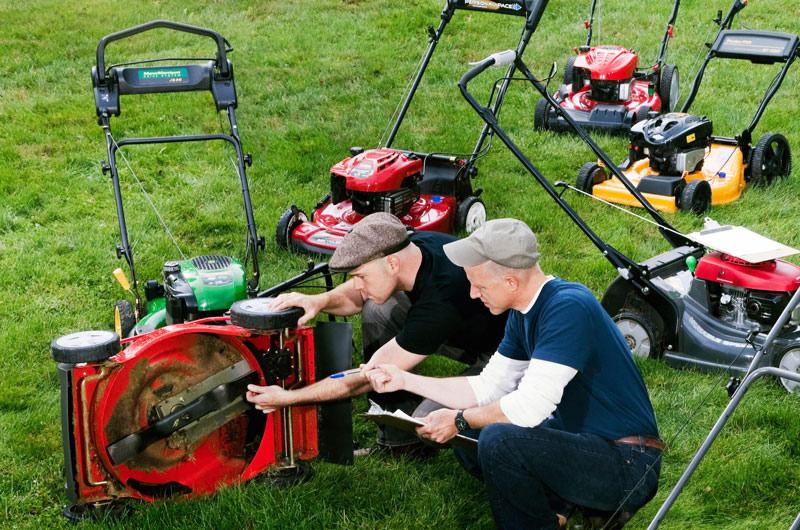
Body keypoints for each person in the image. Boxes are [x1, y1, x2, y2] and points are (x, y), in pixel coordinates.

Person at [364, 218, 662, 529]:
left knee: (496, 438)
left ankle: (561, 512)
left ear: (510, 282)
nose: (472, 295)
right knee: (474, 433)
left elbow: (530, 408)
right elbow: (488, 387)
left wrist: (458, 419)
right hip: (583, 444)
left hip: (627, 463)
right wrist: (404, 378)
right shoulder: (522, 313)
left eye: (479, 285)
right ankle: (559, 510)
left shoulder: (568, 308)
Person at [246, 212, 507, 454]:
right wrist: (319, 301)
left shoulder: (440, 301)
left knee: (427, 421)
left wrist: (290, 398)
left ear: (392, 264)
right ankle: (398, 442)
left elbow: (367, 376)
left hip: (508, 353)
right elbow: (358, 295)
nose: (357, 285)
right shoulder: (412, 247)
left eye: (361, 275)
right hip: (468, 327)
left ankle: (507, 432)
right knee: (377, 308)